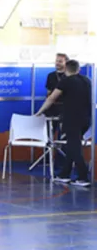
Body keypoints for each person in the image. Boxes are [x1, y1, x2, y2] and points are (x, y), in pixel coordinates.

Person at [36, 59, 92, 187]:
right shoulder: (87, 80)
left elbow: (51, 98)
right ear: (78, 69)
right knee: (72, 145)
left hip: (72, 119)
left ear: (66, 69)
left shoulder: (66, 81)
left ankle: (83, 177)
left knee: (74, 147)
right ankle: (64, 174)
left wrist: (39, 112)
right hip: (86, 119)